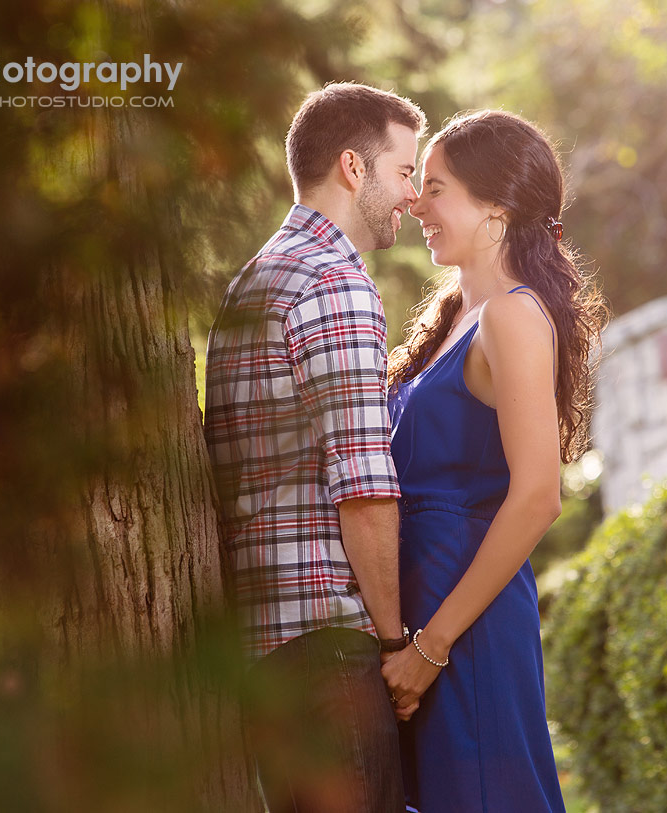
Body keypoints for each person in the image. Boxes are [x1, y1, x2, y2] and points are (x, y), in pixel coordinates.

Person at [203, 82, 425, 813]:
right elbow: (362, 485)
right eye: (403, 171)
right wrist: (395, 643)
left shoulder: (257, 278)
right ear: (353, 168)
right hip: (330, 650)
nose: (412, 195)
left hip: (269, 651)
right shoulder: (335, 283)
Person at [381, 110, 608, 812]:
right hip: (422, 614)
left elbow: (538, 496)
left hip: (464, 626)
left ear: (496, 210)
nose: (417, 203)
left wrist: (433, 646)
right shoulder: (454, 313)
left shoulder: (513, 314)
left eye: (437, 188)